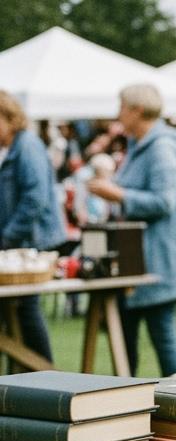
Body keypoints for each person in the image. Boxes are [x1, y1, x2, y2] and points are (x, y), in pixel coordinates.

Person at [86, 84, 176, 376]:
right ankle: (128, 406)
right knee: (124, 342)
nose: (117, 113)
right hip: (137, 261)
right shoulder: (139, 145)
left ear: (137, 110)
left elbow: (165, 201)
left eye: (121, 106)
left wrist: (117, 195)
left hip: (159, 261)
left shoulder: (162, 147)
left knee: (163, 339)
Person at [0, 90, 65, 365]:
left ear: (9, 117)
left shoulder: (27, 146)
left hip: (32, 242)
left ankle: (44, 372)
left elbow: (34, 198)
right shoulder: (15, 147)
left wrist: (7, 236)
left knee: (26, 308)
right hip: (22, 240)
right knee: (17, 311)